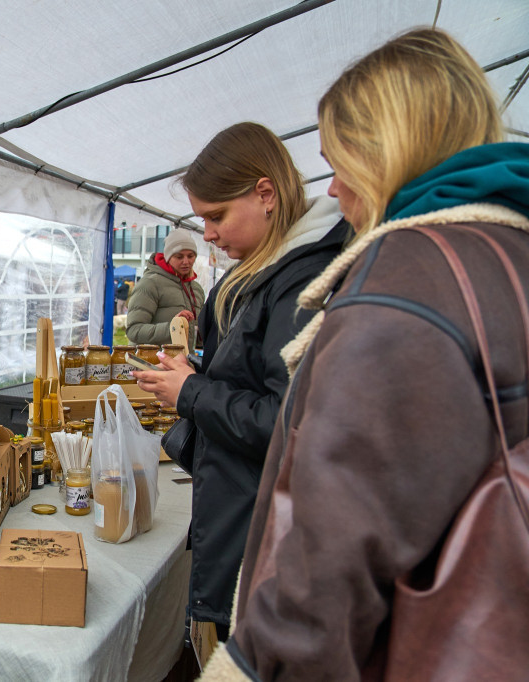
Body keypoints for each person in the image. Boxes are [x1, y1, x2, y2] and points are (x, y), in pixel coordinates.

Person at [199, 29, 529, 681]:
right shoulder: (505, 253)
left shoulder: (405, 280)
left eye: (339, 162)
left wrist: (256, 666)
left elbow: (333, 554)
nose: (332, 191)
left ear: (386, 150)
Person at [133, 122, 349, 643]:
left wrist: (191, 392)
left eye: (216, 216)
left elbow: (289, 423)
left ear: (265, 194)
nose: (207, 234)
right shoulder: (258, 274)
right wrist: (195, 377)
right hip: (244, 519)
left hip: (270, 543)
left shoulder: (302, 281)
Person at [125, 230, 205, 348]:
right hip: (152, 358)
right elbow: (133, 330)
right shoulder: (150, 284)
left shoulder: (196, 289)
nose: (186, 261)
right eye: (179, 257)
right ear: (167, 257)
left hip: (183, 358)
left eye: (190, 256)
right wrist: (173, 328)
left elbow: (197, 333)